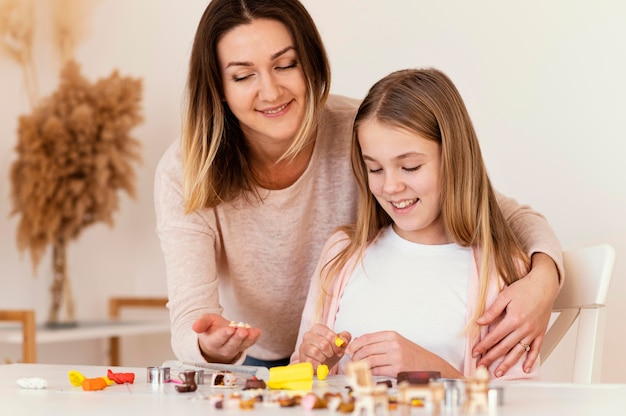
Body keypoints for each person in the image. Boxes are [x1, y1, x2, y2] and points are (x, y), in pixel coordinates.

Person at [154, 0, 562, 371]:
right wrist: (211, 345)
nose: (271, 90)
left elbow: (498, 211)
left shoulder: (367, 132)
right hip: (259, 358)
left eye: (285, 65)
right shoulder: (186, 170)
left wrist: (543, 280)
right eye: (243, 75)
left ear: (310, 63)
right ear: (220, 89)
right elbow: (191, 318)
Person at [292, 68, 546, 380]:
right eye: (374, 168)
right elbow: (299, 382)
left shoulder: (501, 273)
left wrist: (430, 370)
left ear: (453, 158)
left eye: (410, 167)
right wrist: (311, 365)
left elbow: (520, 404)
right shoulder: (341, 255)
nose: (390, 186)